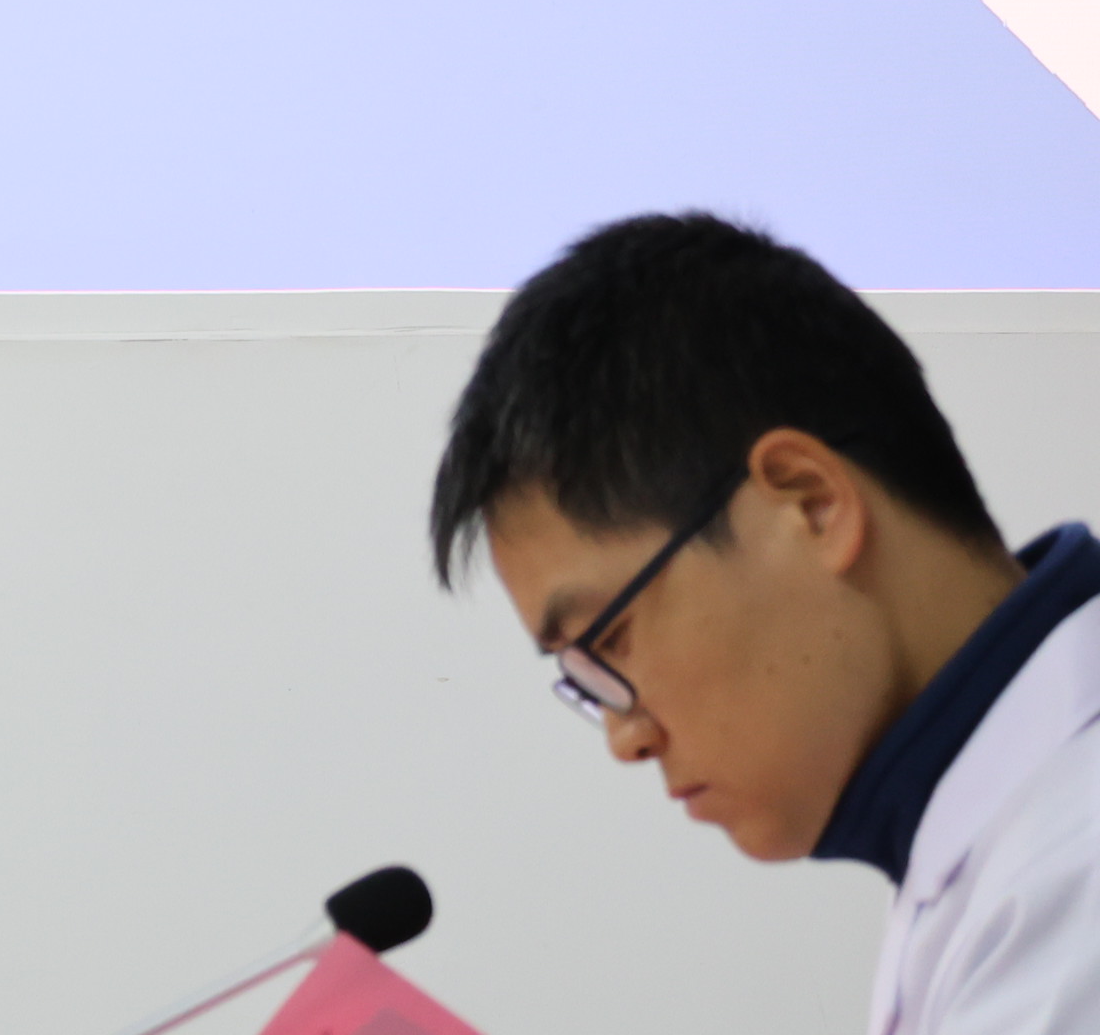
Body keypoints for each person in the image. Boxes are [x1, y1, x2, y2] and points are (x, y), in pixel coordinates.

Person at [431, 213, 1100, 1034]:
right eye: (585, 679)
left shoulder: (1077, 867)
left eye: (609, 640)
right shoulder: (992, 833)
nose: (626, 738)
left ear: (809, 503)